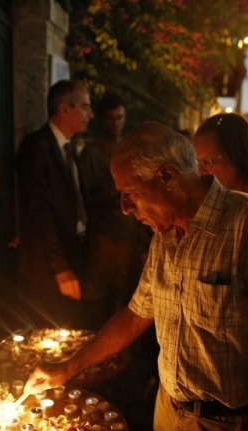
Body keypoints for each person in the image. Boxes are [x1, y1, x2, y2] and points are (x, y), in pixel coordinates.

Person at [25, 122, 248, 431]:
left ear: (167, 177)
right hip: (167, 415)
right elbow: (136, 316)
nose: (124, 207)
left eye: (130, 193)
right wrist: (66, 367)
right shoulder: (165, 236)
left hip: (227, 430)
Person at [15, 79, 93, 329]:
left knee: (70, 325)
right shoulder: (37, 147)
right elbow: (40, 212)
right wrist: (60, 267)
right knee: (50, 329)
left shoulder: (69, 148)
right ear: (64, 109)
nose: (90, 114)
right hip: (47, 266)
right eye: (84, 107)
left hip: (70, 251)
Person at [79, 92, 148, 330]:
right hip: (102, 237)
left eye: (119, 118)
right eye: (111, 118)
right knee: (95, 300)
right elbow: (84, 196)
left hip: (128, 236)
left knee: (126, 299)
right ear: (102, 119)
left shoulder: (131, 151)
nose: (115, 123)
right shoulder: (92, 153)